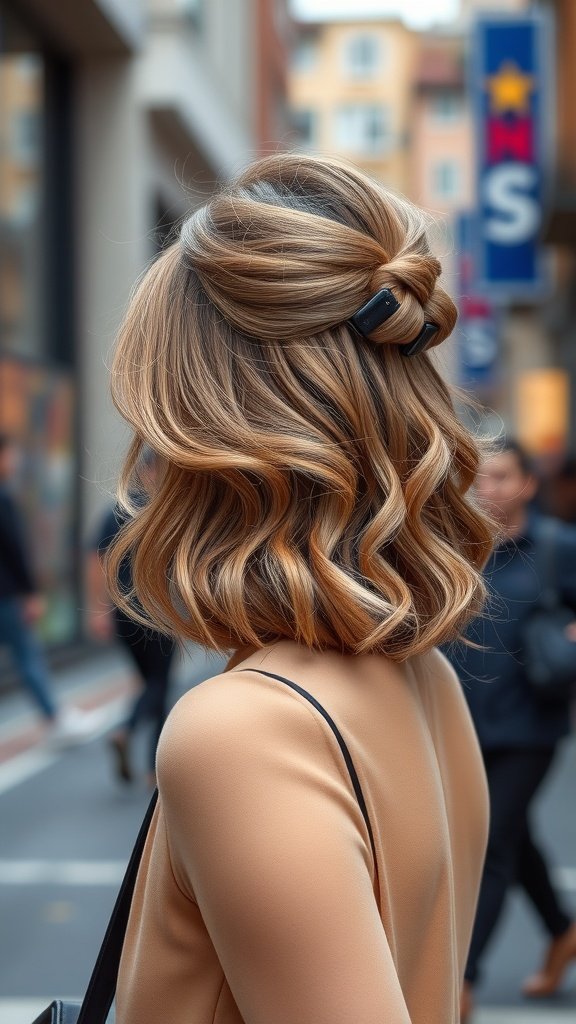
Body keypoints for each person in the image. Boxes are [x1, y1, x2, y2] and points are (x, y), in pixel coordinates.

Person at [107, 154, 497, 1024]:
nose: (145, 457)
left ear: (212, 434)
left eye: (157, 411)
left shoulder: (243, 730)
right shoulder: (424, 681)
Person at [446, 439, 576, 1021]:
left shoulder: (557, 548)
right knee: (513, 838)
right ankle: (562, 931)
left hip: (529, 727)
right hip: (463, 725)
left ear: (526, 484)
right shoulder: (452, 550)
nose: (488, 489)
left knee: (491, 844)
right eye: (479, 479)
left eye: (501, 477)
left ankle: (462, 984)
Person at [87, 450, 176, 787]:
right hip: (155, 612)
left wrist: (99, 609)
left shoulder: (116, 510)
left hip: (121, 612)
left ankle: (141, 748)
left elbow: (97, 559)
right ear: (152, 472)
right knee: (159, 683)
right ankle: (135, 740)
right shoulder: (160, 512)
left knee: (149, 681)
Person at [0, 433, 96, 744]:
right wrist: (30, 593)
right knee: (28, 656)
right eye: (11, 454)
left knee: (26, 655)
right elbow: (15, 551)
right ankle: (55, 718)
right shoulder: (3, 498)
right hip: (8, 595)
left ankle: (55, 716)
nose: (14, 462)